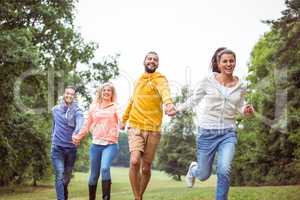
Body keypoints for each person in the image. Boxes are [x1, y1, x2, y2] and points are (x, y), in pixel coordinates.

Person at [177, 48, 254, 200]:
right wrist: (177, 109)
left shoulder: (241, 85)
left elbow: (240, 106)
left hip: (228, 133)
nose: (228, 64)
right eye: (225, 61)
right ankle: (193, 169)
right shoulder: (208, 81)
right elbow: (194, 99)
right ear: (218, 64)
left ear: (235, 63)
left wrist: (246, 110)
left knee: (224, 170)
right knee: (203, 175)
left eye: (231, 61)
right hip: (207, 133)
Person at [121, 51, 176, 200]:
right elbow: (133, 101)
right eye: (149, 58)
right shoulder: (138, 80)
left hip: (153, 129)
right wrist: (124, 119)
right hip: (135, 125)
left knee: (146, 168)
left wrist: (169, 103)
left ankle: (140, 195)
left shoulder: (160, 79)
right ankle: (137, 197)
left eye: (155, 59)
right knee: (134, 161)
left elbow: (165, 91)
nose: (152, 61)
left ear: (157, 64)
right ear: (144, 61)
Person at [72, 82, 119, 200]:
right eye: (104, 90)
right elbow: (87, 125)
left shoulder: (115, 107)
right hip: (96, 145)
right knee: (93, 176)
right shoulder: (94, 106)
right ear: (101, 92)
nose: (106, 92)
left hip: (110, 144)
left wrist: (124, 123)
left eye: (109, 90)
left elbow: (121, 121)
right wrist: (78, 136)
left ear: (112, 93)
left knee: (104, 168)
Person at [51, 86, 84, 200]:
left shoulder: (77, 111)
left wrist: (76, 132)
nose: (69, 95)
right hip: (57, 148)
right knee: (59, 175)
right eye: (67, 93)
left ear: (74, 96)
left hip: (71, 150)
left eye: (72, 94)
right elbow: (54, 127)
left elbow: (80, 122)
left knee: (66, 179)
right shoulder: (55, 110)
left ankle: (64, 195)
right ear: (64, 94)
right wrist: (53, 140)